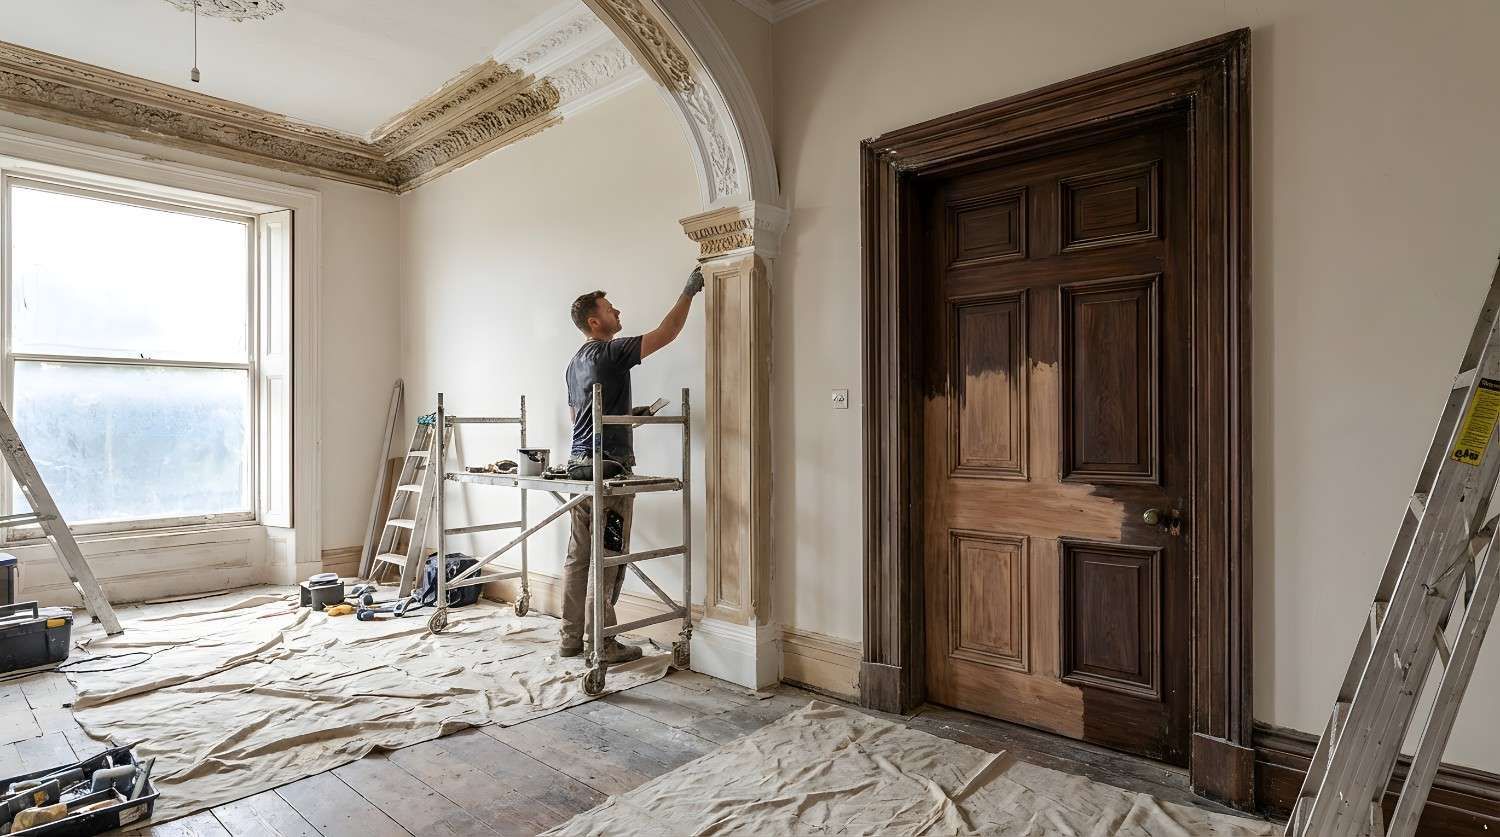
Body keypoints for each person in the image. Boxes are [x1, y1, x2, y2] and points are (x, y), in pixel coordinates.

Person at [561, 266, 704, 662]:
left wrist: (626, 414)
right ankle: (603, 643)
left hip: (580, 464)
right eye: (609, 309)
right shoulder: (611, 351)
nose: (617, 312)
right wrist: (689, 292)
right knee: (610, 555)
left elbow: (580, 417)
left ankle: (570, 639)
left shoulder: (575, 363)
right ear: (595, 321)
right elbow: (666, 334)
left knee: (578, 555)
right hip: (611, 469)